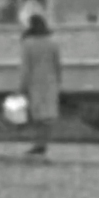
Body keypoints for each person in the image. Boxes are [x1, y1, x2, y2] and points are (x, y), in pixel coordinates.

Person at [19, 14, 62, 156]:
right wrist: (59, 81)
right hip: (50, 82)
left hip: (35, 82)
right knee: (48, 116)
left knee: (37, 116)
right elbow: (57, 65)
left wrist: (22, 87)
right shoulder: (53, 42)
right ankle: (44, 143)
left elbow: (26, 67)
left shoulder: (28, 43)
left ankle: (38, 144)